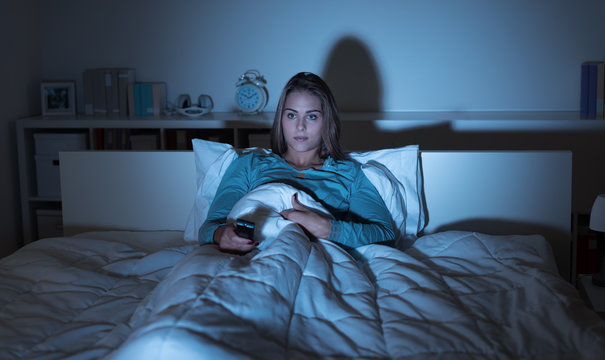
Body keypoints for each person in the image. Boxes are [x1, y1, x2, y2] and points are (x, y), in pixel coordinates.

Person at [199, 72, 394, 253]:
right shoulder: (248, 165)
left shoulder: (350, 174)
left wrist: (327, 229)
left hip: (319, 258)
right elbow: (210, 227)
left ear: (327, 121)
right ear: (281, 119)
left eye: (312, 116)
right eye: (292, 115)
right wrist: (221, 235)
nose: (300, 126)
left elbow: (385, 235)